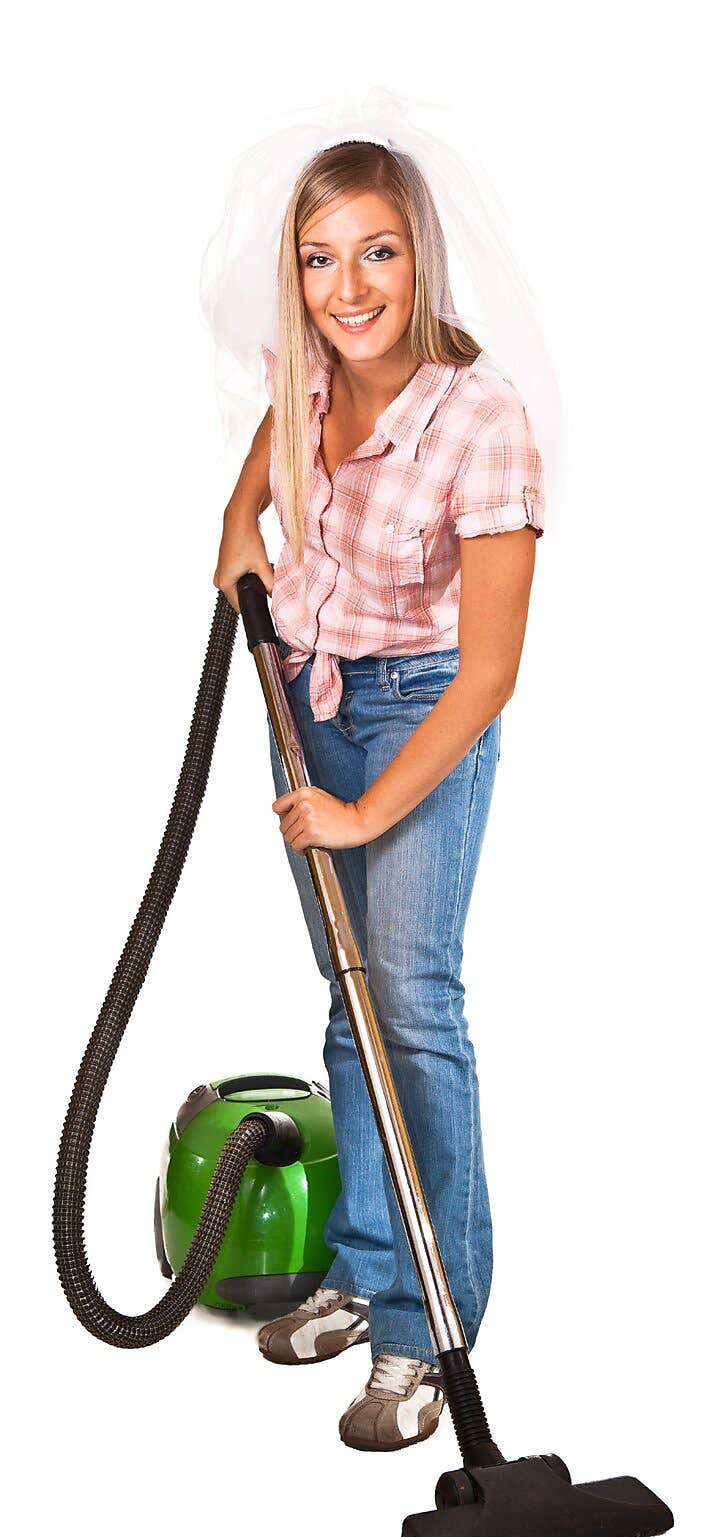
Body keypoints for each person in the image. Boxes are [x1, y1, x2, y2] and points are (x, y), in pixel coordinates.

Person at [212, 130, 546, 1454]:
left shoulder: (482, 417)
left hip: (421, 714)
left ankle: (429, 1325)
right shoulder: (302, 385)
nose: (348, 286)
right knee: (351, 1007)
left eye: (377, 252)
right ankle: (363, 1264)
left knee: (411, 1007)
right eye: (320, 258)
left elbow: (493, 670)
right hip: (310, 702)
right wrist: (242, 552)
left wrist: (360, 810)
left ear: (420, 256)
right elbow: (244, 511)